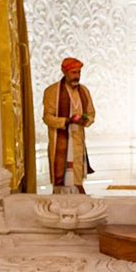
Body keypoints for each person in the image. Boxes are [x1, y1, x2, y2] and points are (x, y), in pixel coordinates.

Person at [43, 57, 95, 194]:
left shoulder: (84, 91)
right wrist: (67, 121)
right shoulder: (52, 91)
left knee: (77, 178)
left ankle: (78, 204)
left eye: (78, 73)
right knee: (62, 182)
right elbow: (47, 118)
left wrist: (85, 120)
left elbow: (91, 114)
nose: (76, 76)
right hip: (60, 141)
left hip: (78, 140)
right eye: (73, 73)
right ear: (64, 72)